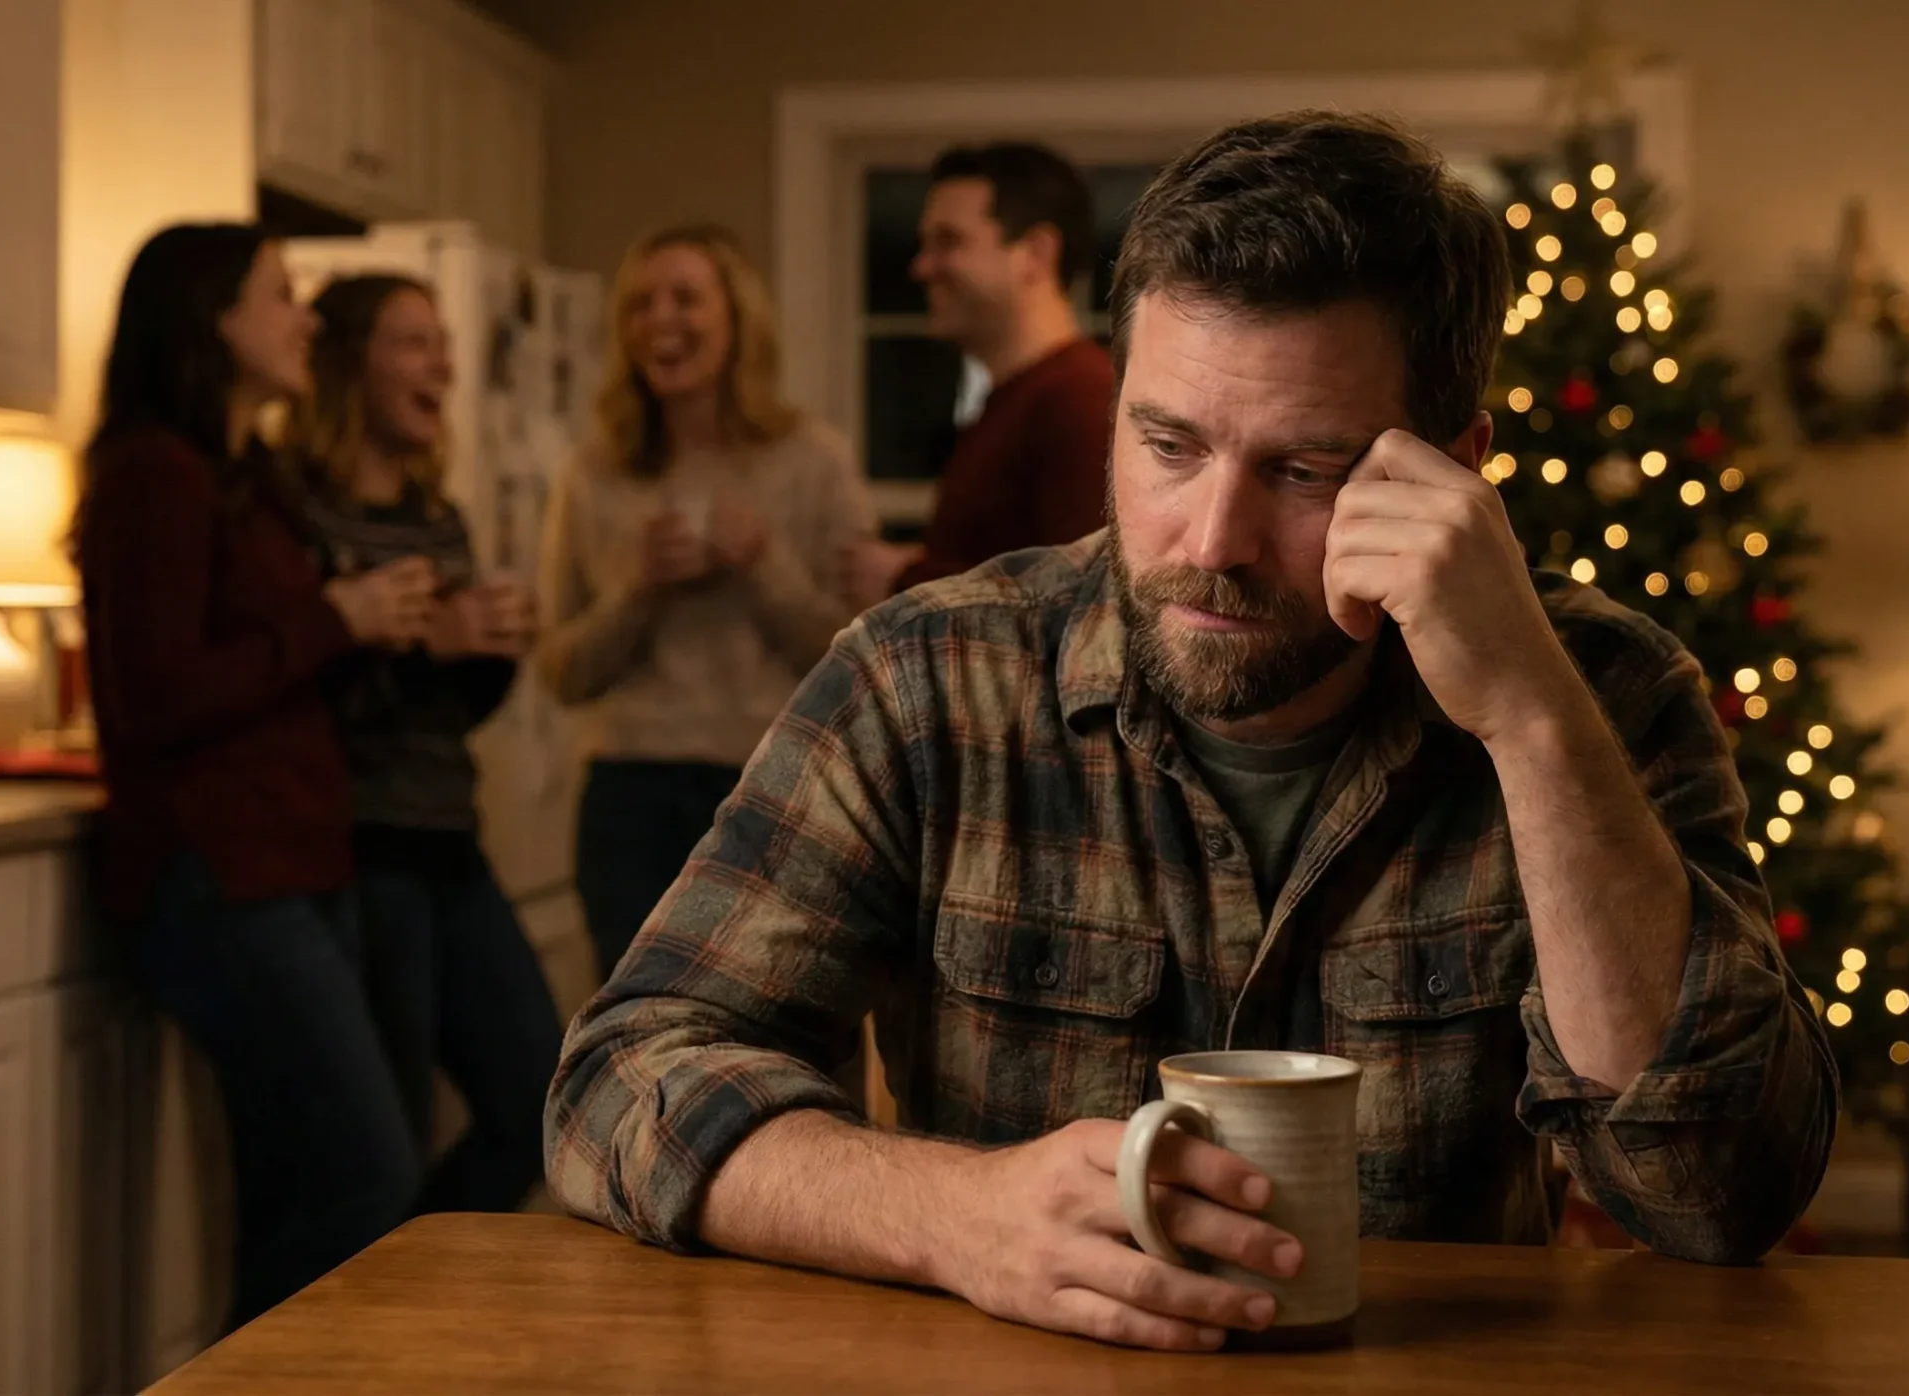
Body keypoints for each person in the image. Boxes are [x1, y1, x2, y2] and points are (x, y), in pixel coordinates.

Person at [546, 113, 1838, 1352]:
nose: (1211, 545)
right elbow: (621, 1084)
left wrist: (1532, 725)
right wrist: (948, 1217)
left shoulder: (1597, 695)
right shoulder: (925, 681)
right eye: (1168, 444)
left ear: (1452, 467)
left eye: (1303, 471)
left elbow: (1714, 1194)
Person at [77, 223, 438, 1329]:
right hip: (220, 876)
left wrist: (398, 629)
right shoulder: (153, 472)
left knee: (305, 1184)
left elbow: (279, 658)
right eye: (282, 294)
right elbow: (151, 697)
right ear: (212, 320)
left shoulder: (247, 473)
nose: (308, 318)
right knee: (368, 1177)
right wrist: (333, 619)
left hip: (294, 858)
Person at [291, 272, 564, 1215]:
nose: (442, 363)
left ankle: (415, 1265)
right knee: (385, 1135)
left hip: (452, 840)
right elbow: (299, 701)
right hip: (362, 856)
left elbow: (446, 713)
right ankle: (378, 1328)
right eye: (413, 341)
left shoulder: (434, 513)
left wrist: (490, 649)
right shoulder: (296, 509)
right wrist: (426, 644)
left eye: (443, 343)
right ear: (348, 363)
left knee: (542, 1097)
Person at [535, 224, 875, 979]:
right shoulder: (592, 472)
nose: (661, 321)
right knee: (636, 1029)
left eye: (685, 299)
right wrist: (638, 589)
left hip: (774, 783)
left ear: (736, 320)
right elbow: (559, 671)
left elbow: (860, 664)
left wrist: (763, 565)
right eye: (639, 305)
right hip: (629, 793)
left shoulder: (812, 459)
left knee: (792, 1017)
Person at [842, 142, 1118, 608]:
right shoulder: (1010, 398)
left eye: (948, 242)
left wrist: (907, 578)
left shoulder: (1079, 399)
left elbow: (1088, 605)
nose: (921, 267)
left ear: (1035, 252)